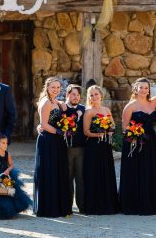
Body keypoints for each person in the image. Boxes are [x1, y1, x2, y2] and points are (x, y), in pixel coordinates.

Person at [120, 78, 156, 215]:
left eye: (146, 88)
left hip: (150, 142)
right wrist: (134, 136)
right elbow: (124, 127)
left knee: (149, 169)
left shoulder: (152, 102)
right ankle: (134, 204)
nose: (144, 90)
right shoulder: (130, 106)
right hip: (134, 143)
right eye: (141, 87)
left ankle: (150, 202)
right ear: (135, 89)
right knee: (135, 170)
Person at [33, 76, 72, 217]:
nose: (55, 90)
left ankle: (58, 205)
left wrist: (62, 104)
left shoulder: (55, 101)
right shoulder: (45, 102)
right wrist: (59, 132)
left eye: (57, 87)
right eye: (52, 87)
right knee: (49, 171)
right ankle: (49, 207)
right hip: (48, 140)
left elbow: (65, 110)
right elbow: (43, 124)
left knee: (57, 171)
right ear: (47, 88)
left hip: (57, 140)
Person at [82, 85, 119, 215]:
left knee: (106, 172)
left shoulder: (106, 109)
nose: (94, 97)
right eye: (91, 95)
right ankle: (95, 205)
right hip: (93, 146)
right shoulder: (88, 112)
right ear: (89, 98)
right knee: (95, 173)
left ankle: (108, 204)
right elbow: (86, 131)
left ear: (101, 95)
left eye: (96, 94)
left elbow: (112, 125)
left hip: (105, 146)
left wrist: (110, 130)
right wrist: (98, 134)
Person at [64, 84, 86, 213]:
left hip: (81, 149)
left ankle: (82, 206)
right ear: (68, 95)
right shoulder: (62, 108)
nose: (76, 97)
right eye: (73, 94)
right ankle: (67, 207)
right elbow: (52, 120)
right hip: (65, 149)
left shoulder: (84, 109)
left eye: (78, 95)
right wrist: (40, 126)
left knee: (80, 178)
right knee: (67, 177)